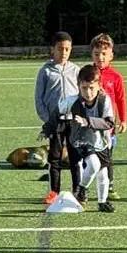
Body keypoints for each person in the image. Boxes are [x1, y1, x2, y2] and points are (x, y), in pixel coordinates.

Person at [35, 31, 79, 204]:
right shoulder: (45, 72)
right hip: (55, 122)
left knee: (75, 157)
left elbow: (83, 94)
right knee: (55, 158)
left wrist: (79, 116)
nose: (64, 52)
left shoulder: (76, 70)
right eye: (60, 49)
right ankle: (54, 192)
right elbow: (39, 98)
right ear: (52, 49)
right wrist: (48, 120)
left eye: (67, 49)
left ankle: (78, 191)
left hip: (73, 121)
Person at [70, 65, 117, 213]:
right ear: (78, 86)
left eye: (91, 88)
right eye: (84, 88)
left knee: (103, 174)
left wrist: (88, 121)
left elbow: (109, 123)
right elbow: (57, 112)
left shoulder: (105, 101)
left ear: (99, 86)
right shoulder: (74, 102)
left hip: (101, 142)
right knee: (94, 165)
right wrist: (49, 128)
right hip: (82, 140)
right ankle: (81, 189)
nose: (88, 92)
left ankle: (102, 202)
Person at [90, 33, 127, 200]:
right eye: (97, 54)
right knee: (89, 156)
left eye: (104, 53)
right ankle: (84, 186)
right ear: (92, 55)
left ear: (111, 55)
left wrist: (123, 120)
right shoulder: (87, 74)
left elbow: (120, 99)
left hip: (107, 125)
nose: (100, 57)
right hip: (90, 124)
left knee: (107, 156)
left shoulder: (116, 77)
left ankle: (109, 186)